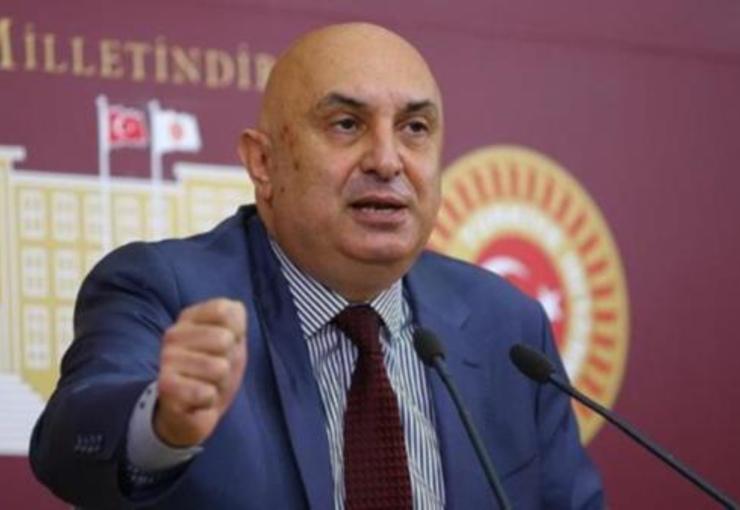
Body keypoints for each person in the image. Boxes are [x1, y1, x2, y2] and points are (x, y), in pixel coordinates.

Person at [30, 23, 604, 509]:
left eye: (414, 129)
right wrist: (163, 425)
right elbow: (68, 443)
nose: (387, 160)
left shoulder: (506, 326)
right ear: (263, 162)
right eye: (347, 124)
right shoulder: (164, 290)